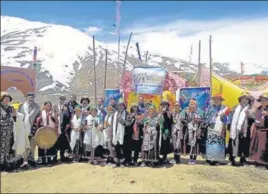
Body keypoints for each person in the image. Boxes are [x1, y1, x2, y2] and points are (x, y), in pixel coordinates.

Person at [203, 94, 230, 165]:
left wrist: (222, 116)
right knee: (211, 144)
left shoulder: (224, 108)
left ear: (221, 100)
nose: (216, 101)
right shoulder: (209, 108)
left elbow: (227, 120)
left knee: (218, 144)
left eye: (218, 99)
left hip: (220, 128)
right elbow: (205, 117)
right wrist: (210, 120)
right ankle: (209, 159)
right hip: (211, 129)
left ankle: (217, 160)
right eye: (215, 99)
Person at [228, 91, 253, 166]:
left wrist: (249, 115)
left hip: (244, 130)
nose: (244, 100)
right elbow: (230, 117)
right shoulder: (235, 107)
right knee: (233, 145)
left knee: (244, 145)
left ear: (248, 100)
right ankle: (232, 159)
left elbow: (253, 119)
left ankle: (243, 160)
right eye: (243, 99)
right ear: (240, 100)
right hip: (234, 129)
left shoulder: (250, 109)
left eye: (246, 99)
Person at [16, 92, 40, 167]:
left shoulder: (37, 107)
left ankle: (31, 160)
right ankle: (25, 160)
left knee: (32, 145)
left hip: (33, 129)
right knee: (25, 145)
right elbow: (18, 117)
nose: (31, 98)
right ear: (26, 98)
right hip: (23, 129)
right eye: (29, 97)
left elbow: (38, 118)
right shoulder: (21, 107)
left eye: (32, 97)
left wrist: (35, 128)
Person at [180, 98, 203, 165]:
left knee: (195, 145)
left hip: (196, 132)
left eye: (194, 106)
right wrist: (188, 124)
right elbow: (182, 120)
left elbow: (201, 122)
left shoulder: (198, 114)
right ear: (189, 107)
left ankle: (194, 159)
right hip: (189, 132)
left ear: (196, 107)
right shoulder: (187, 113)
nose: (192, 107)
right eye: (191, 106)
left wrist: (198, 124)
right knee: (190, 145)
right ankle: (190, 158)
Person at [249, 91, 268, 168]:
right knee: (256, 146)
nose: (263, 102)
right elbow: (255, 119)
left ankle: (264, 163)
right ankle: (256, 162)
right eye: (262, 100)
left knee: (264, 147)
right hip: (257, 130)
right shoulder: (259, 109)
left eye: (265, 100)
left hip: (265, 131)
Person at [0, 92, 15, 171]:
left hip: (8, 133)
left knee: (7, 148)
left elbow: (13, 119)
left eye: (8, 99)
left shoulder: (10, 108)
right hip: (1, 132)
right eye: (6, 98)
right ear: (2, 98)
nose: (7, 100)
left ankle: (5, 164)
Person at [112, 99, 127, 168]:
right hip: (115, 133)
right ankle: (116, 162)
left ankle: (122, 162)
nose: (120, 106)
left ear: (124, 106)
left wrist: (121, 118)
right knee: (116, 147)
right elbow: (113, 123)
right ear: (117, 106)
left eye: (122, 105)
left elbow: (127, 123)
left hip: (124, 134)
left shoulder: (126, 113)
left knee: (122, 148)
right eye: (119, 105)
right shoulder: (114, 113)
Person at [159, 100, 173, 165]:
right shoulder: (158, 113)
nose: (164, 106)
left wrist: (165, 113)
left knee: (165, 145)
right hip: (158, 131)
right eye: (162, 105)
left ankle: (165, 158)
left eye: (165, 105)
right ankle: (159, 157)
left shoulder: (169, 113)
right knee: (159, 144)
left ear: (168, 106)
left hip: (166, 131)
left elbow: (169, 121)